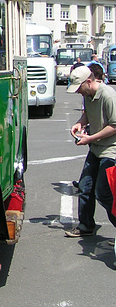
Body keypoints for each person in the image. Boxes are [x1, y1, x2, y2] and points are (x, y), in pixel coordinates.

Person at [65, 65, 116, 237]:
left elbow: (114, 126)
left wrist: (90, 138)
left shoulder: (108, 95)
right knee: (85, 187)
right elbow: (87, 114)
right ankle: (86, 225)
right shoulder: (89, 95)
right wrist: (80, 123)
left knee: (104, 193)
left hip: (111, 150)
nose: (79, 92)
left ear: (89, 81)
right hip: (95, 148)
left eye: (79, 88)